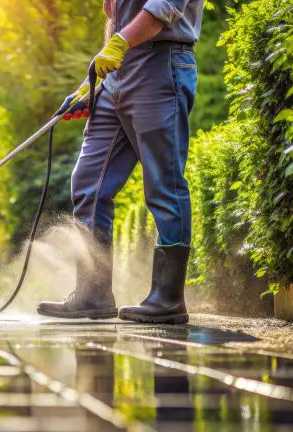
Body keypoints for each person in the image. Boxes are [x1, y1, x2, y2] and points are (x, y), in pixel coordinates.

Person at [37, 0, 204, 325]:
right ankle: (93, 293)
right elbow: (114, 17)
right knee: (88, 183)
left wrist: (120, 43)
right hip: (117, 75)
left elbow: (163, 7)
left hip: (162, 63)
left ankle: (167, 299)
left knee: (164, 184)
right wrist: (93, 82)